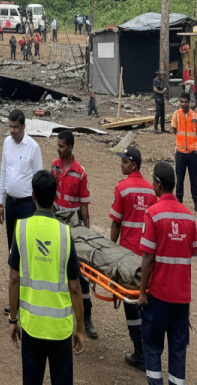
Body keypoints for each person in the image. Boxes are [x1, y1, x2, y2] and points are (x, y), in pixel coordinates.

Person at [7, 170, 85, 385]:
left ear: (33, 196)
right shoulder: (65, 233)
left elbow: (14, 279)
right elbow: (75, 287)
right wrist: (80, 328)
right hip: (60, 330)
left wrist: (13, 319)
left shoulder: (21, 229)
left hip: (32, 327)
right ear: (56, 196)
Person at [139, 161, 197, 385]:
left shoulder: (153, 214)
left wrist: (142, 292)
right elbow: (192, 250)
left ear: (157, 184)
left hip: (159, 296)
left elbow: (148, 258)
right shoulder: (189, 217)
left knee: (153, 347)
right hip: (182, 299)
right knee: (178, 349)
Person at [108, 146, 157, 371]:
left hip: (128, 257)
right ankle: (148, 350)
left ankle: (140, 352)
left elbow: (116, 224)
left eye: (125, 161)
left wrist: (111, 252)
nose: (121, 164)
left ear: (134, 165)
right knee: (146, 303)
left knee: (131, 304)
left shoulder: (122, 188)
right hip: (147, 257)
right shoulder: (151, 191)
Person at [50, 130, 96, 339]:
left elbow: (84, 208)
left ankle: (86, 318)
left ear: (70, 147)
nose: (58, 149)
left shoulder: (80, 173)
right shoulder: (55, 166)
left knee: (80, 273)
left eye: (61, 146)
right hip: (57, 222)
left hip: (74, 226)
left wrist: (86, 233)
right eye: (58, 145)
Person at [0, 108, 43, 315]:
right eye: (10, 126)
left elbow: (39, 180)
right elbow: (4, 174)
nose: (12, 131)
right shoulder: (7, 143)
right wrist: (0, 203)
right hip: (12, 205)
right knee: (13, 250)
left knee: (28, 252)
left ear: (24, 126)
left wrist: (38, 210)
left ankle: (28, 299)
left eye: (16, 127)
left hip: (27, 206)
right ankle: (15, 301)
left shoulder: (33, 147)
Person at [172, 92, 197, 209]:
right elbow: (174, 129)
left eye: (186, 102)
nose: (183, 104)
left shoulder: (194, 116)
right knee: (180, 179)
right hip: (180, 152)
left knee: (194, 179)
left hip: (193, 153)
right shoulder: (176, 114)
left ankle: (196, 201)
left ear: (189, 102)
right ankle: (178, 201)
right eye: (182, 102)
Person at [153, 69, 168, 133]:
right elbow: (155, 89)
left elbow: (165, 87)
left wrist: (164, 90)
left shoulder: (163, 80)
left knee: (162, 113)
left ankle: (162, 128)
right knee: (158, 113)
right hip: (157, 97)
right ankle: (156, 128)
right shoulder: (155, 80)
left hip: (161, 97)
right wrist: (161, 92)